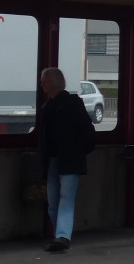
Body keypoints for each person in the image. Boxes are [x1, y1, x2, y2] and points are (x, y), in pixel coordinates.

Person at [38, 67, 95, 253]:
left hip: (64, 159)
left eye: (43, 80)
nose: (41, 84)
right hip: (62, 159)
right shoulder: (56, 105)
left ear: (51, 83)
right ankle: (60, 236)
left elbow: (85, 131)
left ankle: (62, 236)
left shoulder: (66, 104)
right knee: (56, 201)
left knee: (62, 199)